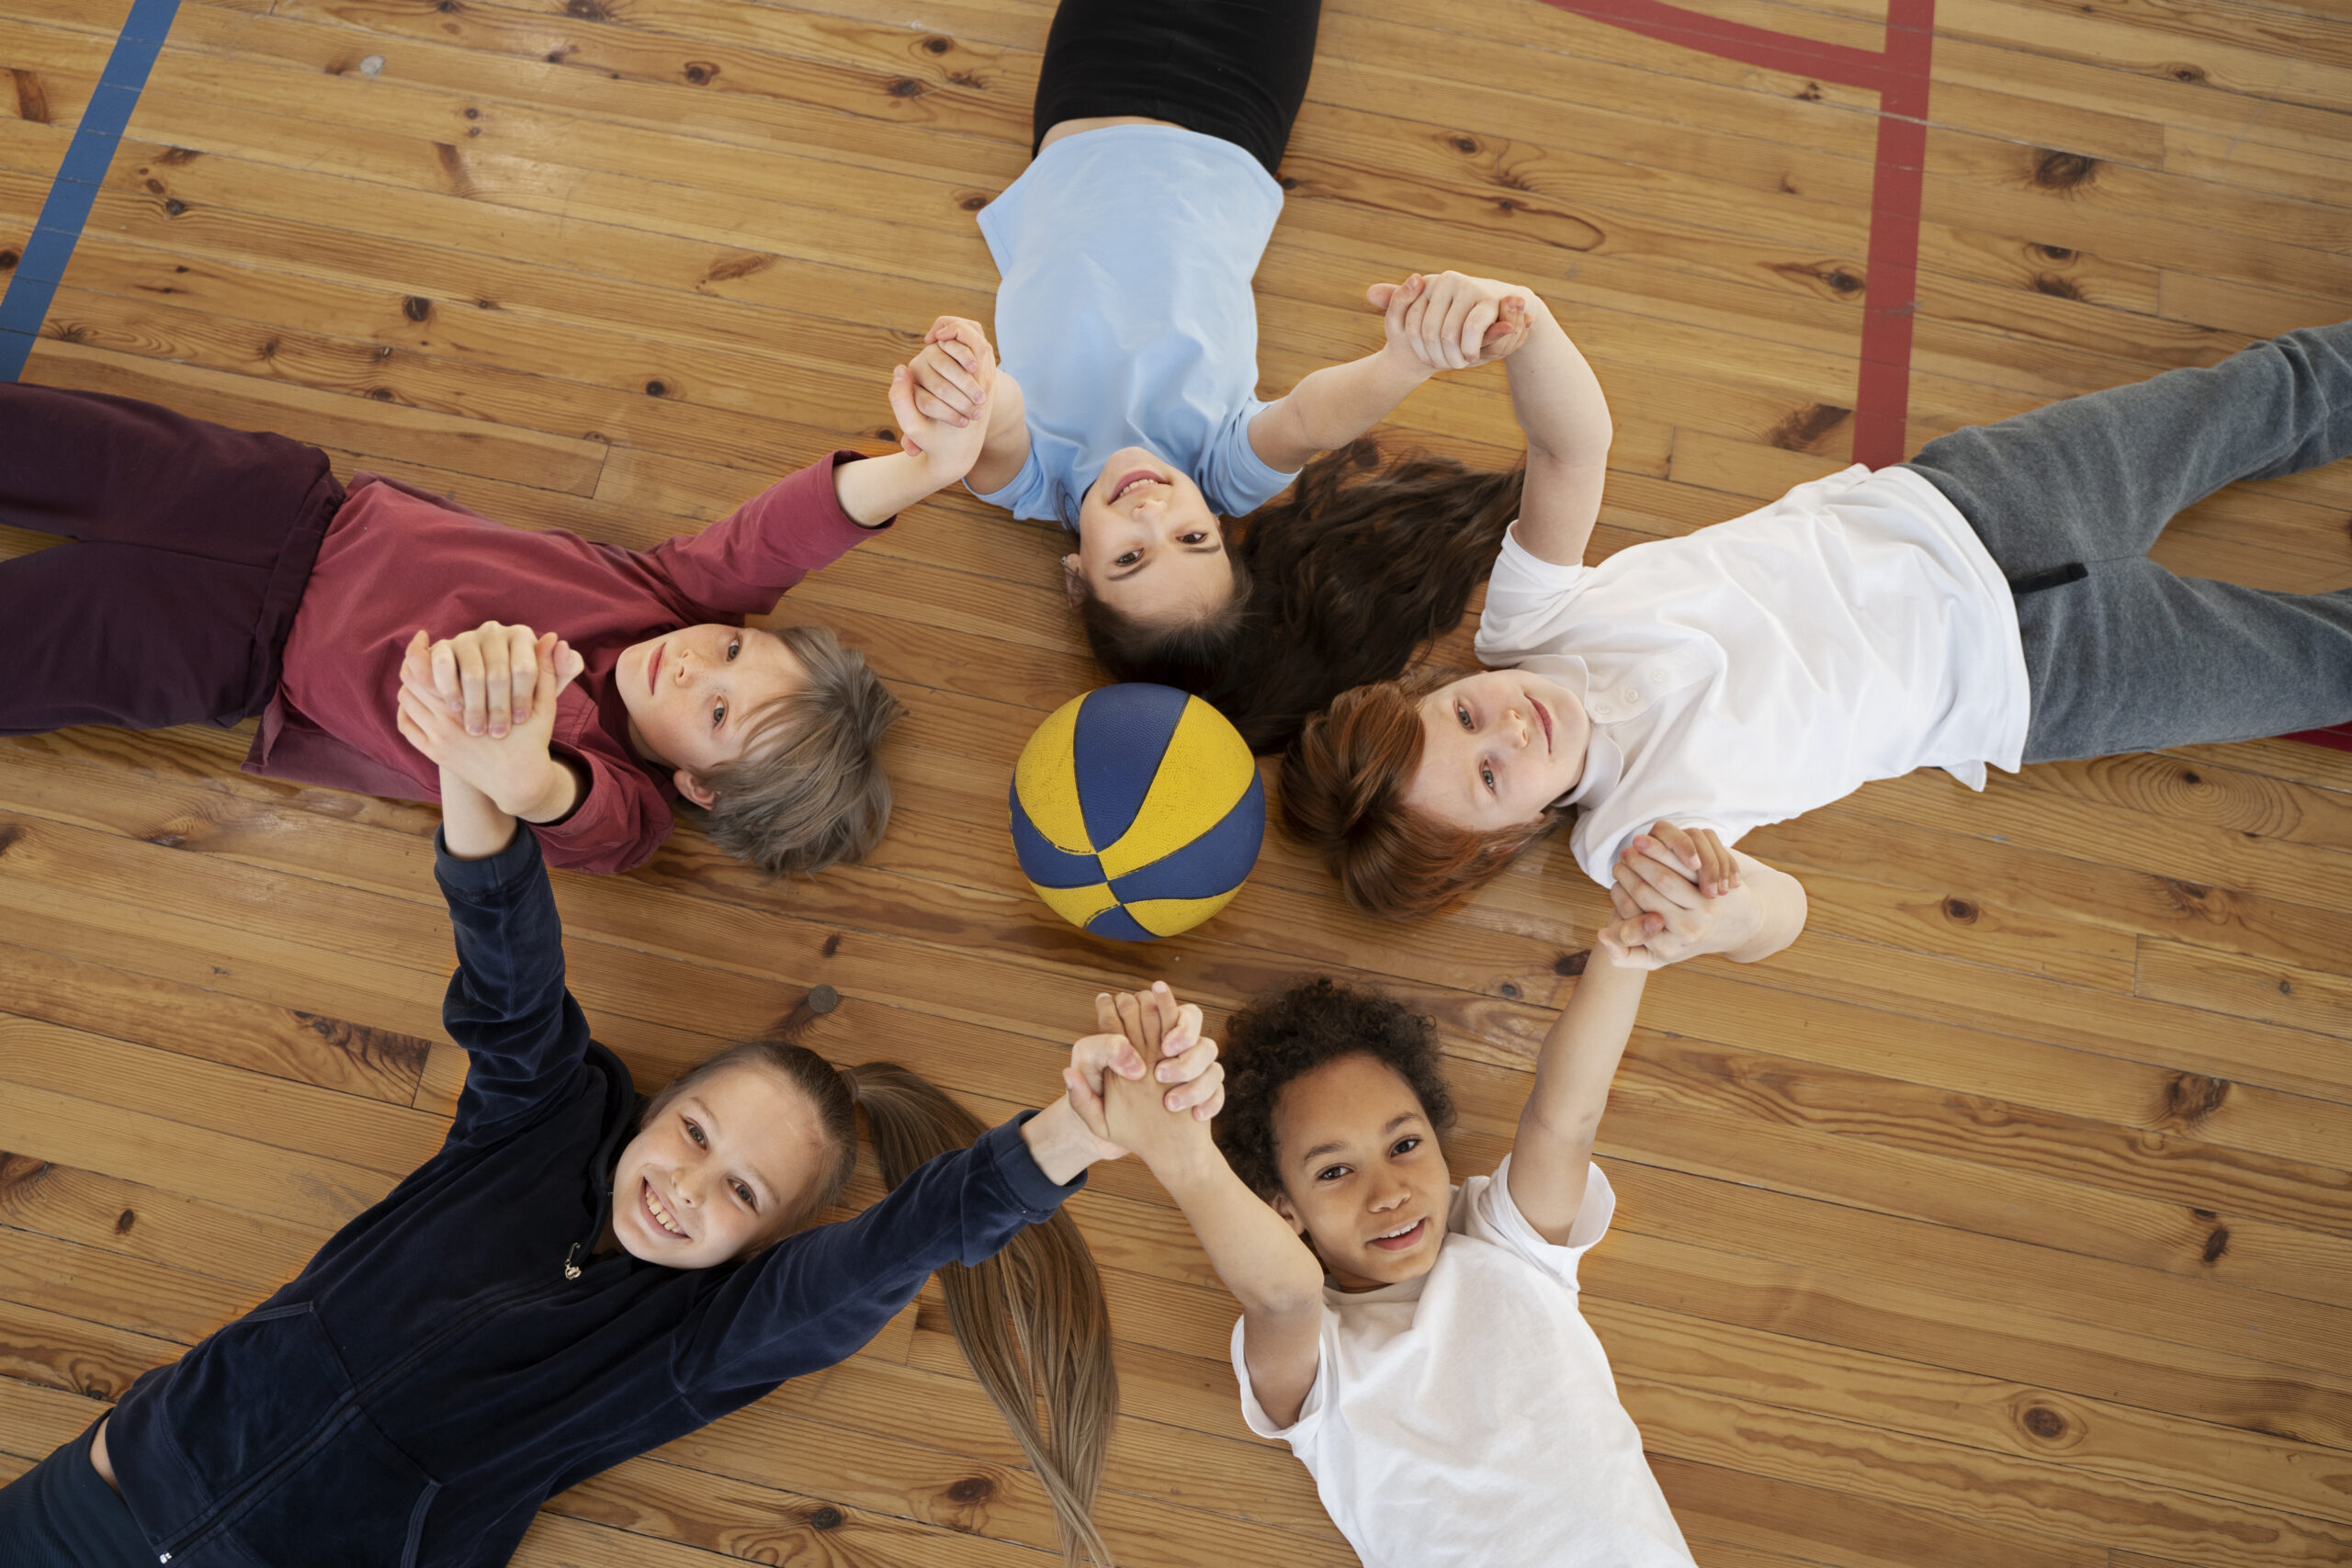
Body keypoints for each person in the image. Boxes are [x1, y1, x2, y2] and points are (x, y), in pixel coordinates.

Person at [0, 660, 1229, 1568]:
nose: (692, 1182)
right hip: (90, 1505)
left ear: (761, 1244)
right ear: (654, 1106)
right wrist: (481, 784)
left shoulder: (693, 1345)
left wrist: (1075, 1131)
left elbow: (895, 1246)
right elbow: (510, 979)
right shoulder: (533, 1127)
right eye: (697, 1130)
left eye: (743, 1191)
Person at [1279, 319, 2352, 944]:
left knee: (2270, 392)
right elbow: (1780, 919)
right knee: (2323, 665)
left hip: (1983, 500)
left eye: (1463, 714)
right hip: (2044, 682)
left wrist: (1525, 329)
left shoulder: (1530, 624)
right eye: (1489, 777)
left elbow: (1571, 449)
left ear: (1444, 682)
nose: (1506, 728)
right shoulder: (1633, 842)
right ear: (1510, 835)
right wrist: (1725, 913)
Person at [0, 349, 985, 876]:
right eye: (733, 648)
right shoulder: (664, 601)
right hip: (277, 501)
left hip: (229, 649)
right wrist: (921, 469)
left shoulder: (626, 797)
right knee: (40, 439)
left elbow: (588, 824)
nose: (696, 666)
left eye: (719, 713)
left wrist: (526, 776)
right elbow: (776, 538)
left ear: (701, 788)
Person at [891, 0, 1531, 752]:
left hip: (1094, 94)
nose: (1152, 512)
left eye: (1129, 557)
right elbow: (1310, 423)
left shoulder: (1034, 479)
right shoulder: (1221, 470)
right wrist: (1406, 362)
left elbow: (993, 419)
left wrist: (967, 383)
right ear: (1221, 529)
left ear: (1077, 577)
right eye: (1193, 537)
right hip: (1237, 115)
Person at [1082, 948, 1694, 1568]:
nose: (1389, 1192)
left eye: (1404, 1144)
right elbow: (1282, 1291)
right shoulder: (1320, 1350)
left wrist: (1626, 947)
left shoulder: (1508, 1240)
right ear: (1284, 1209)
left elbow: (1565, 1115)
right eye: (1334, 1169)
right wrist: (1183, 1155)